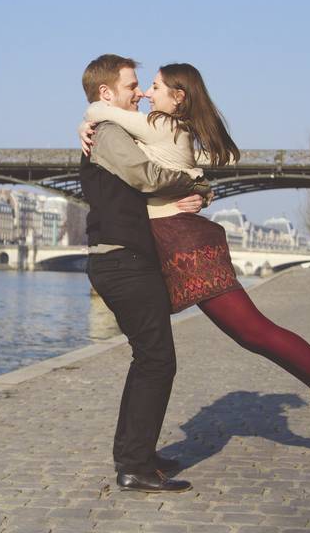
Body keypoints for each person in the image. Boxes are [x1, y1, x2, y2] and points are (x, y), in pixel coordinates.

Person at [80, 62, 310, 448]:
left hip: (184, 246)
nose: (145, 94)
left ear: (178, 96)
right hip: (168, 245)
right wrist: (200, 188)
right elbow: (131, 150)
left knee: (253, 330)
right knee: (248, 334)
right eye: (140, 87)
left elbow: (104, 117)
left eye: (152, 87)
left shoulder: (161, 126)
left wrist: (87, 118)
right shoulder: (157, 129)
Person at [79, 54, 211, 493]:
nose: (138, 92)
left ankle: (136, 454)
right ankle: (133, 464)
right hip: (123, 261)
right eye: (131, 85)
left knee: (148, 359)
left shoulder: (114, 130)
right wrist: (193, 182)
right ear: (106, 93)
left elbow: (161, 163)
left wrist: (198, 190)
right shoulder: (111, 133)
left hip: (128, 259)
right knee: (157, 361)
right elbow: (147, 176)